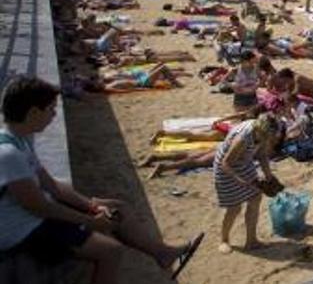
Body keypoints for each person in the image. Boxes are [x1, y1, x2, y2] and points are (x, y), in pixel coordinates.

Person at [0, 75, 203, 282]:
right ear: (33, 112)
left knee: (117, 208)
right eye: (50, 109)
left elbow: (51, 185)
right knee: (111, 251)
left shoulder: (20, 141)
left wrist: (92, 206)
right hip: (23, 232)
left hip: (33, 219)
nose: (53, 115)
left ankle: (162, 253)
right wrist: (90, 221)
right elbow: (41, 207)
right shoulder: (9, 155)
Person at [213, 112, 284, 254]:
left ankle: (251, 241)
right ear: (261, 131)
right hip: (226, 170)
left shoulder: (262, 133)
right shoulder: (243, 138)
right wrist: (242, 181)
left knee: (255, 198)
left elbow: (262, 155)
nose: (270, 139)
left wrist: (269, 175)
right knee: (234, 208)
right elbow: (225, 163)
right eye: (270, 136)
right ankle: (224, 240)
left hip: (244, 163)